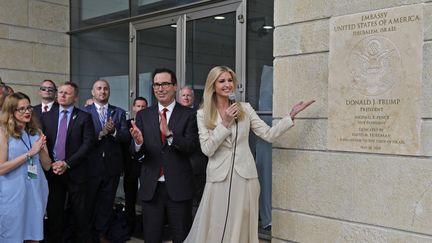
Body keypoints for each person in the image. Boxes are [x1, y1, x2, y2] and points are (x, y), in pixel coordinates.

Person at [184, 66, 314, 243]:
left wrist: (289, 116)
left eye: (230, 80)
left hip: (245, 177)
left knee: (242, 226)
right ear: (212, 86)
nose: (227, 85)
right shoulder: (202, 114)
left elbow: (268, 134)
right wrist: (225, 123)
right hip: (218, 178)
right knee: (217, 225)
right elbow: (207, 149)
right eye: (222, 81)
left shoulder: (245, 109)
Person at [130, 68, 198, 243]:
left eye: (165, 84)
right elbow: (136, 154)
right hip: (151, 188)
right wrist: (138, 143)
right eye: (156, 85)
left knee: (181, 237)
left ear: (175, 87)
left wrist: (170, 136)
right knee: (151, 238)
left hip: (179, 188)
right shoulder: (143, 115)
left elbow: (191, 147)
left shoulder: (189, 115)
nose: (160, 88)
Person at [41, 82, 95, 243]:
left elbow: (88, 144)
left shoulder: (84, 117)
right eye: (61, 92)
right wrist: (52, 163)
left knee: (80, 215)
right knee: (54, 213)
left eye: (67, 93)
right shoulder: (47, 116)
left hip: (75, 172)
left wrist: (67, 163)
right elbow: (42, 142)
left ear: (76, 97)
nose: (62, 95)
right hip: (53, 172)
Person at [0, 92, 51, 242]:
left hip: (36, 189)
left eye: (29, 107)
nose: (27, 111)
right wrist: (30, 153)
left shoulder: (37, 132)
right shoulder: (3, 132)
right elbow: (1, 168)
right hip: (13, 192)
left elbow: (47, 166)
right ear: (11, 111)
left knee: (33, 235)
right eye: (21, 109)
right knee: (12, 235)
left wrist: (40, 149)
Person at [84, 79, 130, 242]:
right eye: (99, 88)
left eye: (105, 89)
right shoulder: (84, 112)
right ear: (93, 92)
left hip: (111, 167)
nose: (102, 91)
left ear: (109, 92)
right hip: (90, 167)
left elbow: (126, 137)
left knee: (106, 203)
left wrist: (115, 131)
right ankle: (87, 235)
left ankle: (101, 233)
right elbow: (82, 138)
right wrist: (101, 133)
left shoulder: (119, 112)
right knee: (88, 203)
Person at [179, 86, 208, 217]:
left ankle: (196, 232)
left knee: (197, 199)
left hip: (196, 163)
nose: (186, 98)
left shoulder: (200, 114)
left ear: (193, 98)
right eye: (183, 95)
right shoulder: (174, 114)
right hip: (179, 163)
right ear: (179, 98)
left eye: (188, 95)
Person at [123, 96, 148, 236]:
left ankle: (145, 228)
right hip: (130, 167)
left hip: (146, 166)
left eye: (143, 107)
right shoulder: (126, 124)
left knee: (147, 198)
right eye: (138, 106)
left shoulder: (150, 123)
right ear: (133, 107)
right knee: (129, 198)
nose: (140, 109)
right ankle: (129, 228)